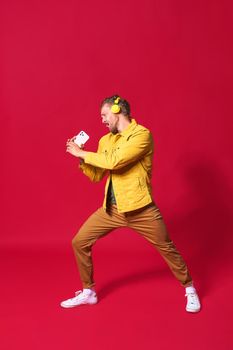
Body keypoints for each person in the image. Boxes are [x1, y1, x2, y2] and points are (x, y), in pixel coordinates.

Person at [61, 95, 201, 313]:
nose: (102, 121)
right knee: (79, 241)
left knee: (167, 248)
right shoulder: (106, 140)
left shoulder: (142, 135)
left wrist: (83, 153)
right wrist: (80, 158)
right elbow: (98, 175)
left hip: (140, 209)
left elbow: (115, 162)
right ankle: (88, 292)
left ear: (117, 110)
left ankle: (190, 289)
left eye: (104, 115)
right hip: (112, 209)